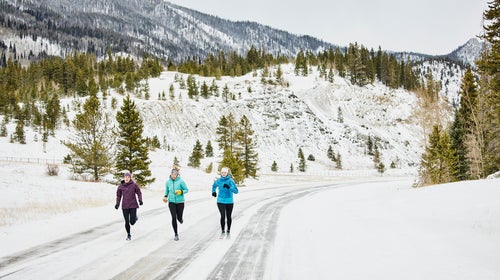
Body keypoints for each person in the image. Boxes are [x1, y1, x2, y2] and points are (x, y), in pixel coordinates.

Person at [211, 167, 239, 239]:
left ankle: (228, 231)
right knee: (223, 216)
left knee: (228, 216)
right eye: (222, 172)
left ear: (227, 173)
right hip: (220, 201)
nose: (223, 174)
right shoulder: (218, 180)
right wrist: (213, 192)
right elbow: (214, 186)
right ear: (221, 173)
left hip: (229, 201)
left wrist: (229, 187)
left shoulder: (230, 181)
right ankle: (223, 231)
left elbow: (236, 191)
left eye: (225, 173)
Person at [115, 172, 143, 240]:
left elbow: (139, 192)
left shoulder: (134, 185)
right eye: (125, 177)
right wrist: (117, 204)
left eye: (128, 177)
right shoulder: (120, 186)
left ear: (130, 178)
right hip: (125, 206)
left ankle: (135, 218)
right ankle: (128, 234)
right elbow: (118, 196)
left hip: (133, 205)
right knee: (126, 221)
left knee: (132, 222)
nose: (126, 178)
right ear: (124, 178)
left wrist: (140, 200)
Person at [163, 167, 189, 241]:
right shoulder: (167, 182)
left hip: (180, 202)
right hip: (171, 202)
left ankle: (180, 219)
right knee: (173, 217)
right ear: (170, 174)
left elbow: (186, 190)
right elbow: (167, 191)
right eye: (172, 174)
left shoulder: (181, 181)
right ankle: (176, 234)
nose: (173, 176)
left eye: (175, 174)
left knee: (179, 217)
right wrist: (165, 196)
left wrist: (181, 192)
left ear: (177, 174)